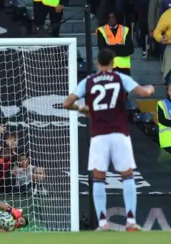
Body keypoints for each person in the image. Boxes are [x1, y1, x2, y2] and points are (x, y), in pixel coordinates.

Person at [63, 48, 155, 231]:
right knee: (127, 175)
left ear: (98, 62)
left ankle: (103, 223)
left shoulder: (88, 81)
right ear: (113, 63)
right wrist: (151, 88)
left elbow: (67, 103)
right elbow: (143, 93)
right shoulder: (120, 78)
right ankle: (130, 221)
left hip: (99, 135)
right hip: (119, 133)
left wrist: (84, 109)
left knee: (98, 178)